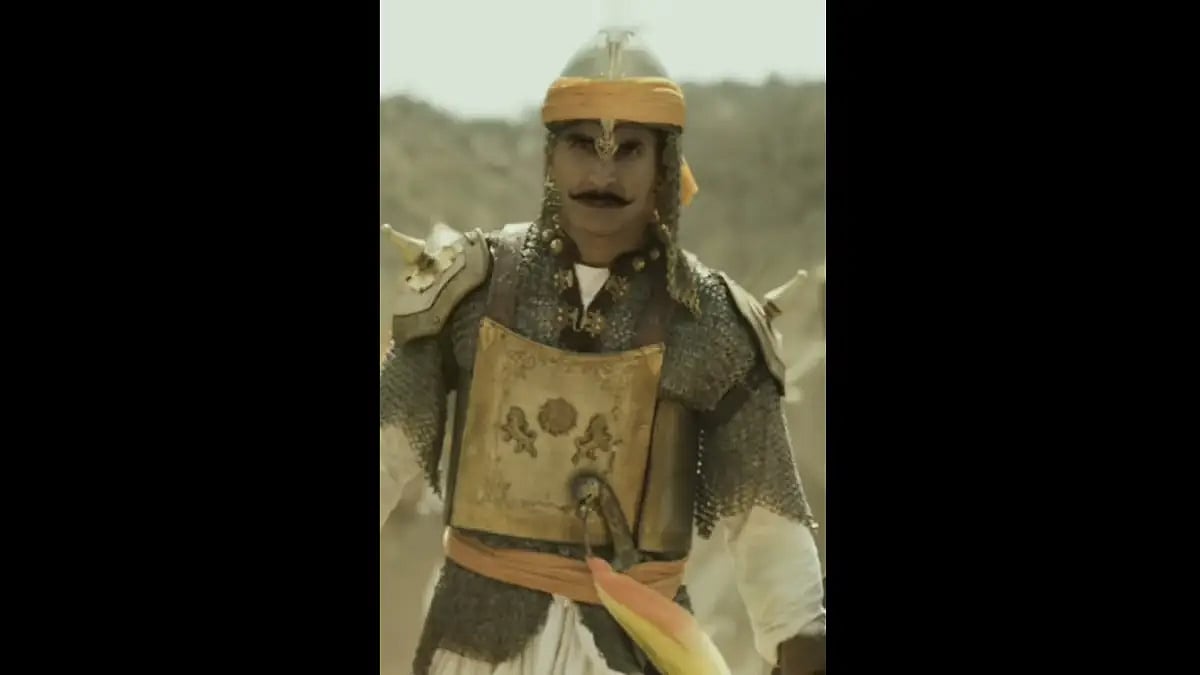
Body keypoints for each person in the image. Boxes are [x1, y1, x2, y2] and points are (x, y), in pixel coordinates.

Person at [379, 27, 826, 675]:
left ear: (664, 163)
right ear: (551, 156)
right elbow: (387, 447)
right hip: (474, 647)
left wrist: (800, 637)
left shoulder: (709, 320)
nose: (602, 174)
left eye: (629, 150)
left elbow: (765, 521)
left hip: (639, 649)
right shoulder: (473, 287)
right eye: (583, 145)